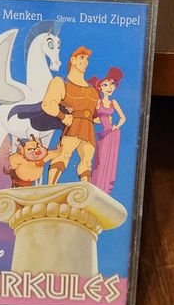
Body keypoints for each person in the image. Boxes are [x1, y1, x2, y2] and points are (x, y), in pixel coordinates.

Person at [41, 46, 99, 184]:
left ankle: (85, 192)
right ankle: (51, 188)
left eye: (87, 59)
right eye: (82, 58)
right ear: (73, 60)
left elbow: (95, 114)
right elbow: (48, 104)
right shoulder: (61, 82)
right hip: (73, 125)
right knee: (64, 154)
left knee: (87, 161)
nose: (85, 62)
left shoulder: (93, 90)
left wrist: (103, 118)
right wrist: (63, 116)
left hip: (88, 128)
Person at [87, 67, 125, 194]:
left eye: (112, 84)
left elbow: (123, 117)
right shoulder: (98, 102)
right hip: (103, 134)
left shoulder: (113, 102)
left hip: (113, 134)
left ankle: (106, 189)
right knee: (100, 160)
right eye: (105, 85)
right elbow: (92, 117)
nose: (109, 87)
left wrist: (117, 125)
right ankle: (97, 186)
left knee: (110, 161)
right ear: (100, 88)